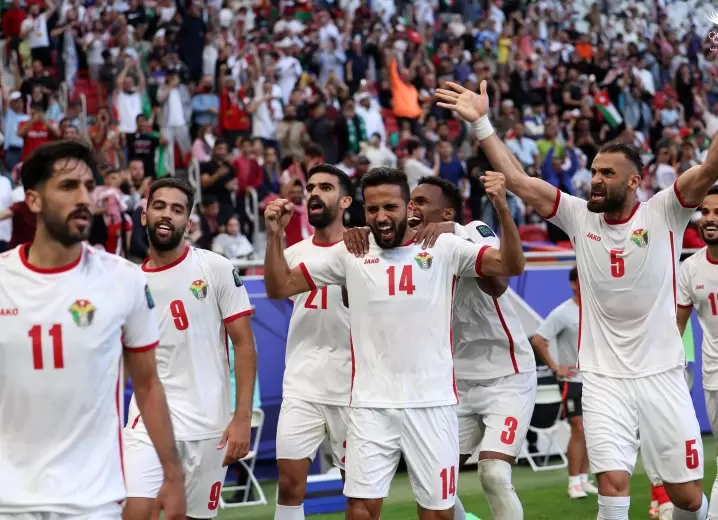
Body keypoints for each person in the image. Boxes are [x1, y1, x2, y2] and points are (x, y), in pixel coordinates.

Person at [436, 80, 718, 520]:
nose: (596, 180)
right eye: (594, 171)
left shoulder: (665, 210)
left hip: (662, 374)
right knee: (611, 485)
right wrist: (481, 122)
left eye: (607, 174)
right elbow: (518, 181)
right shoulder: (577, 215)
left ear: (635, 181)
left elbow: (711, 166)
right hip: (603, 379)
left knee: (685, 497)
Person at [263, 167, 525, 520]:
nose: (381, 217)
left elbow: (511, 264)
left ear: (408, 208)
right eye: (372, 209)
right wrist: (274, 235)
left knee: (437, 514)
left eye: (390, 207)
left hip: (432, 406)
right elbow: (279, 287)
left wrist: (502, 208)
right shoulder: (351, 252)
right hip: (370, 408)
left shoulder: (443, 247)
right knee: (360, 511)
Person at [0, 140, 185, 519]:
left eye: (89, 186)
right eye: (68, 186)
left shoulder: (124, 280)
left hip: (94, 501)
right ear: (33, 200)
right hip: (8, 499)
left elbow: (148, 385)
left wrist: (173, 473)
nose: (84, 198)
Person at [344, 175, 532, 520]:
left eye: (421, 202)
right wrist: (359, 237)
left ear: (446, 212)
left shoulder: (470, 232)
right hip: (454, 385)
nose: (412, 208)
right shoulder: (409, 251)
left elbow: (499, 283)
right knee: (435, 484)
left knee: (493, 474)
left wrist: (452, 231)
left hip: (506, 376)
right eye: (410, 202)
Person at [123, 177, 256, 520]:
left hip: (209, 426)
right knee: (137, 510)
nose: (167, 214)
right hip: (147, 424)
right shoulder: (128, 283)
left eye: (177, 209)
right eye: (159, 206)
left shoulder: (215, 267)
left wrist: (242, 419)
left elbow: (244, 344)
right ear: (144, 215)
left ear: (189, 221)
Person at [274, 164, 353, 520]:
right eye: (311, 188)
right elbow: (276, 291)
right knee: (289, 484)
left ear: (346, 200)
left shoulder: (363, 248)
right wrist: (274, 235)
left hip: (352, 385)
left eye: (326, 187)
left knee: (358, 489)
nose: (314, 193)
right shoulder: (293, 252)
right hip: (302, 382)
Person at [532, 267, 599, 499]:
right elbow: (539, 340)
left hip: (595, 379)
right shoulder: (562, 312)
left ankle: (583, 478)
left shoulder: (596, 309)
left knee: (591, 429)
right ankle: (573, 483)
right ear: (573, 284)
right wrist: (555, 367)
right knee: (578, 427)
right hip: (573, 380)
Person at [677, 185, 718, 520]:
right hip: (713, 378)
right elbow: (675, 327)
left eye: (717, 212)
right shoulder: (690, 268)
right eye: (705, 212)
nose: (710, 218)